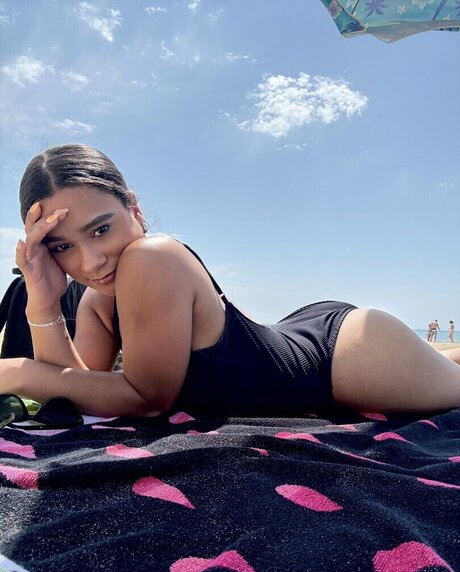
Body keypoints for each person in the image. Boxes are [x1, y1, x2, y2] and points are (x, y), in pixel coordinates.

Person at [2, 144, 460, 418]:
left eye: (101, 229)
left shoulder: (152, 256)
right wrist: (43, 303)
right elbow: (80, 393)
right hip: (296, 334)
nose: (91, 260)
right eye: (63, 246)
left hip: (343, 359)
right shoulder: (97, 302)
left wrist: (18, 371)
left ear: (134, 209)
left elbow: (146, 399)